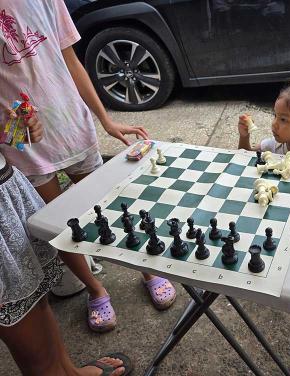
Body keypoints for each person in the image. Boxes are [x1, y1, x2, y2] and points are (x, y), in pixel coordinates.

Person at [0, 0, 176, 333]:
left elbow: (71, 60)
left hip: (73, 128)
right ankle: (96, 288)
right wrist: (8, 130)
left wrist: (106, 120)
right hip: (24, 147)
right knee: (58, 229)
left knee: (113, 206)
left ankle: (149, 269)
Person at [0, 116, 132, 376]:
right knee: (32, 348)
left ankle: (68, 371)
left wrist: (11, 133)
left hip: (7, 193)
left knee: (38, 301)